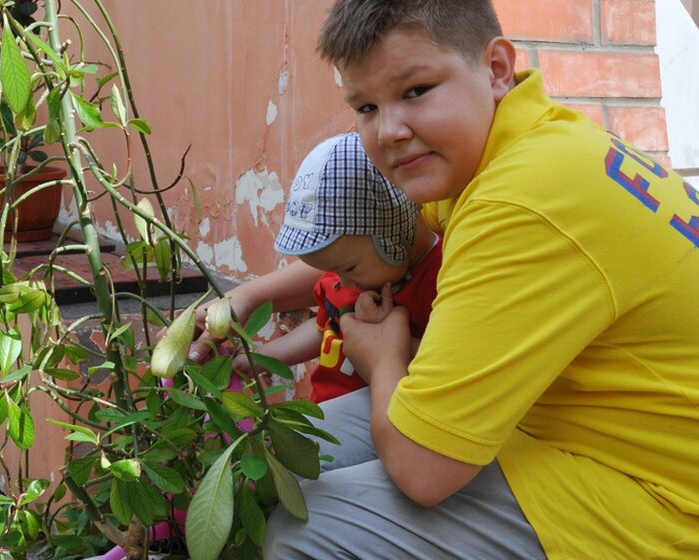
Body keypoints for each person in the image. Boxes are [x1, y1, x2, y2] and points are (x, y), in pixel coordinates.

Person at [201, 1, 699, 558]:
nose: (389, 130)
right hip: (574, 431)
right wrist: (246, 296)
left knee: (308, 526)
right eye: (365, 106)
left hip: (659, 500)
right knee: (283, 447)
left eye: (415, 90)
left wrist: (381, 358)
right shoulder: (515, 147)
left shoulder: (521, 202)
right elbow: (368, 254)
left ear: (496, 69)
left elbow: (423, 469)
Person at [224, 132, 441, 403]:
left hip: (386, 421)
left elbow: (448, 367)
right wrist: (264, 357)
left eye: (348, 268)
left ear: (394, 235)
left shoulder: (442, 277)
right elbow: (324, 329)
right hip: (324, 409)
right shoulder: (354, 276)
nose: (343, 283)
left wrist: (390, 343)